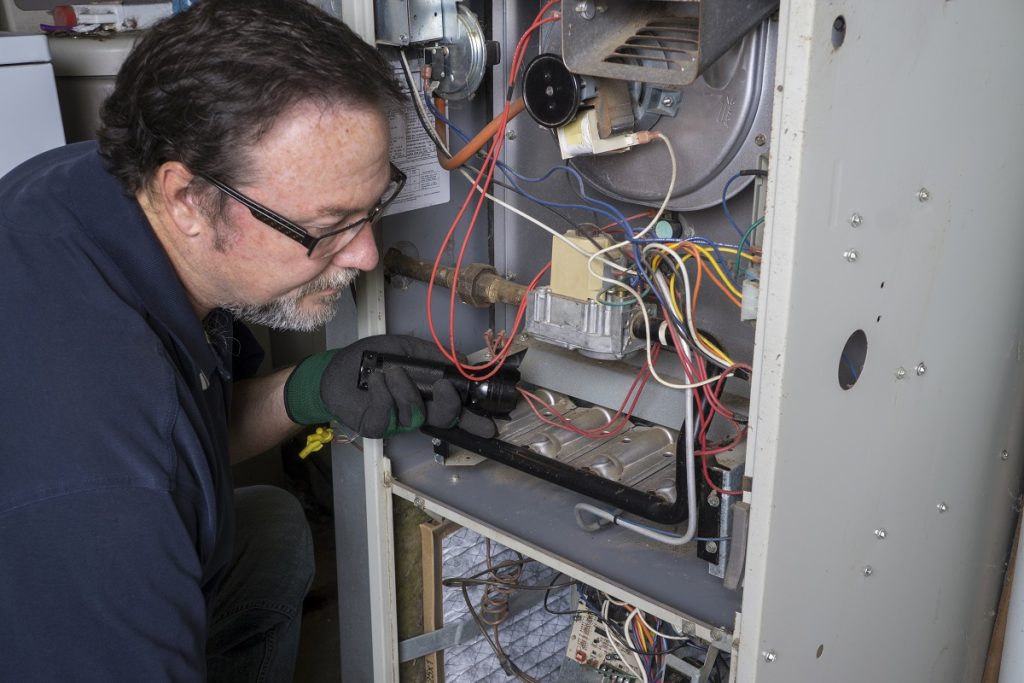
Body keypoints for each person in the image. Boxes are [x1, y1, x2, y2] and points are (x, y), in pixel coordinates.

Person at [0, 0, 491, 679]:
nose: (367, 256)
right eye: (330, 224)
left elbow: (188, 432)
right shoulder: (107, 484)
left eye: (373, 208)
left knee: (273, 533)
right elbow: (146, 456)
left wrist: (309, 387)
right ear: (189, 200)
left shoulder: (90, 185)